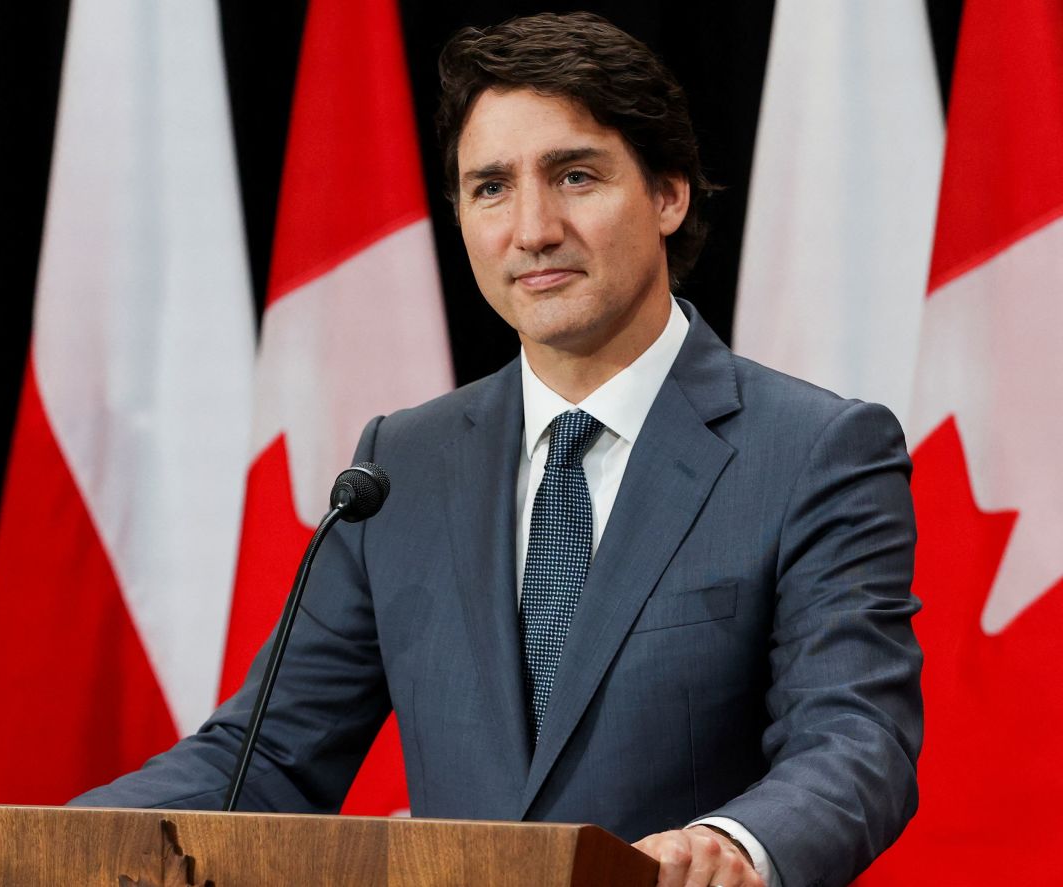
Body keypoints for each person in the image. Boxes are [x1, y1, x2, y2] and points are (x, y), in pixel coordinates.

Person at [72, 13, 922, 887]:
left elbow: (857, 740)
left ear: (669, 194)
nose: (533, 229)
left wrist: (734, 844)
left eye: (576, 176)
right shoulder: (401, 464)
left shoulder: (816, 450)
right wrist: (34, 846)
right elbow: (268, 758)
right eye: (490, 188)